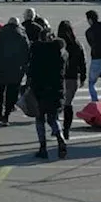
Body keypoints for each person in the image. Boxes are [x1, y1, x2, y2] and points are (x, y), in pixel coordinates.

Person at [25, 22, 67, 159]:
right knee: (53, 117)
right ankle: (60, 139)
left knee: (39, 119)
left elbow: (31, 71)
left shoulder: (36, 51)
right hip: (55, 89)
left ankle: (43, 147)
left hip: (39, 89)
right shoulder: (58, 53)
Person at [0, 17, 30, 125]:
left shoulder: (0, 33)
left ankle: (0, 112)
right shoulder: (22, 35)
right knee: (12, 93)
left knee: (0, 91)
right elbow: (26, 52)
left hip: (1, 67)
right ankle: (6, 115)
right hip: (15, 68)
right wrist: (25, 67)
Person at [57, 20, 88, 139]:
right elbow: (82, 61)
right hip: (72, 77)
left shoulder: (57, 44)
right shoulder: (77, 44)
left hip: (59, 77)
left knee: (56, 104)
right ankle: (66, 129)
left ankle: (56, 127)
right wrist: (83, 76)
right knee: (68, 104)